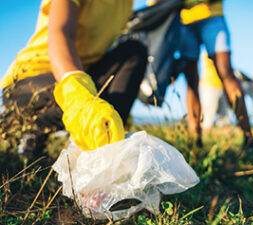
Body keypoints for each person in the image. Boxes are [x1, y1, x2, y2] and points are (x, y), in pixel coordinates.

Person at [1, 0, 148, 152]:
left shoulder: (126, 4)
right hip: (26, 83)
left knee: (134, 50)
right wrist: (77, 94)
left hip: (85, 76)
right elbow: (61, 34)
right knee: (78, 106)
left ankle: (109, 148)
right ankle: (32, 137)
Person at [179, 0, 253, 149]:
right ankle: (196, 142)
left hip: (212, 15)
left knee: (226, 72)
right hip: (184, 22)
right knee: (191, 80)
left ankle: (249, 137)